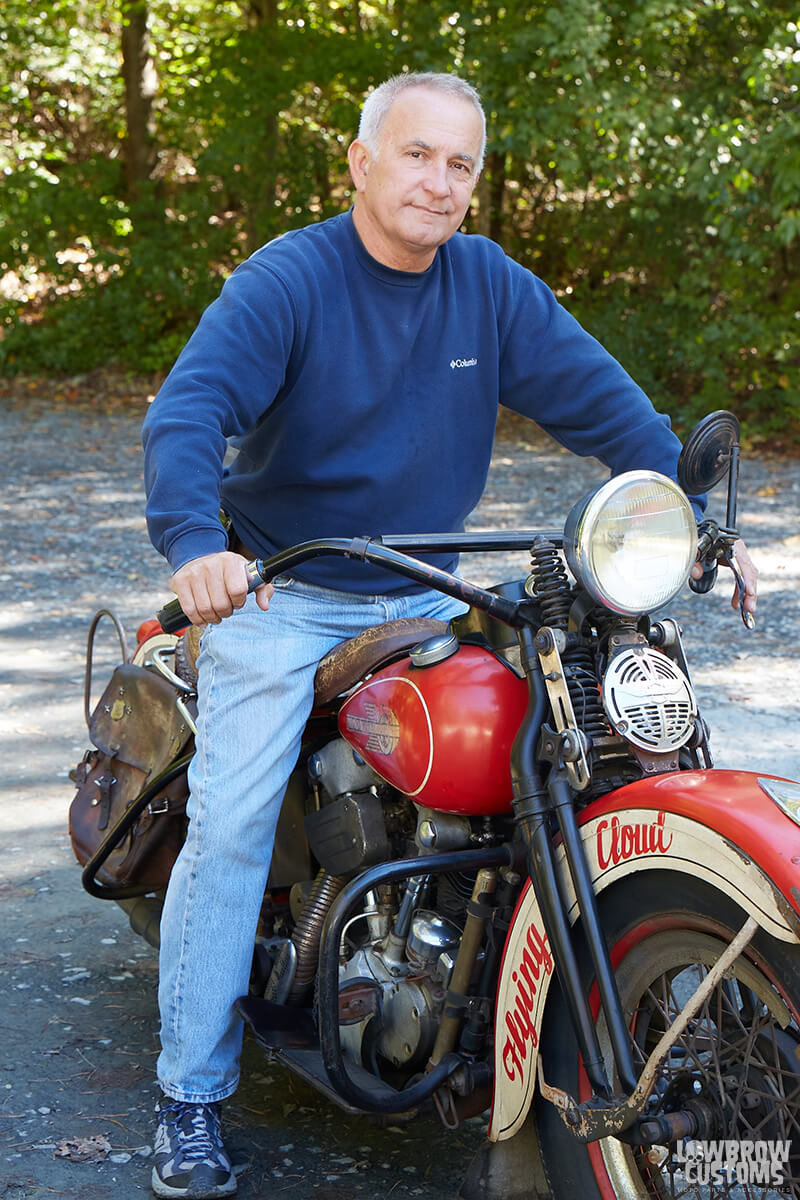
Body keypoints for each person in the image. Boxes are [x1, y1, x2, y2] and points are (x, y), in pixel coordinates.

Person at [142, 71, 757, 1198]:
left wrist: (687, 515)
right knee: (228, 819)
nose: (437, 181)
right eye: (416, 154)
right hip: (287, 588)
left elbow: (600, 401)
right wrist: (197, 541)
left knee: (570, 733)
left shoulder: (484, 284)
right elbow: (190, 411)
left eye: (459, 164)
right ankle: (189, 1095)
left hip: (422, 581)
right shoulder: (291, 279)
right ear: (362, 162)